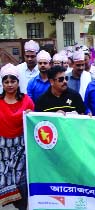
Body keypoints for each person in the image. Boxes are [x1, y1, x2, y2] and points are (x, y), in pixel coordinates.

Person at [0, 64, 34, 210]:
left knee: (21, 182)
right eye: (6, 82)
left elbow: (35, 121)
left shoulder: (26, 101)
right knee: (4, 179)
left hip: (21, 146)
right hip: (2, 148)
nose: (9, 85)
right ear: (2, 84)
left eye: (12, 81)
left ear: (18, 82)